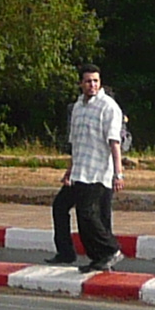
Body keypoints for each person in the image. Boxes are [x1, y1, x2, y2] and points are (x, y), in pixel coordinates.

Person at [47, 63, 127, 269]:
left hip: (98, 172)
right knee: (61, 206)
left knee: (91, 214)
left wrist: (119, 174)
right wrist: (69, 170)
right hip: (79, 171)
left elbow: (114, 143)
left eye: (96, 81)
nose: (92, 85)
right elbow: (76, 143)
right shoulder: (77, 108)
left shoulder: (108, 107)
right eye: (88, 81)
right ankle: (67, 252)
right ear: (80, 84)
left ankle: (109, 252)